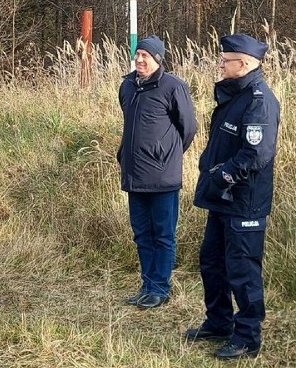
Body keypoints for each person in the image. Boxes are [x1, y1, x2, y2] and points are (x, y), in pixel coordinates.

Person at [186, 34, 280, 360]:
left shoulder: (258, 100)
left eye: (226, 61)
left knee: (242, 269)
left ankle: (247, 337)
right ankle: (219, 322)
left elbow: (256, 154)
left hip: (244, 201)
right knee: (212, 263)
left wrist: (223, 175)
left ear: (243, 64)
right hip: (222, 200)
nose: (221, 65)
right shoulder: (235, 96)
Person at [118, 35, 197, 309]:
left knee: (163, 234)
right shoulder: (128, 86)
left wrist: (167, 153)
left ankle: (161, 288)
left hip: (163, 177)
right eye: (138, 55)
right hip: (134, 175)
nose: (140, 60)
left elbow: (188, 129)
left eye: (146, 56)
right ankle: (147, 285)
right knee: (141, 233)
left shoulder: (173, 86)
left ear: (158, 60)